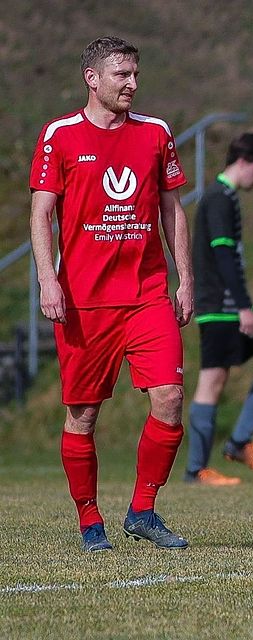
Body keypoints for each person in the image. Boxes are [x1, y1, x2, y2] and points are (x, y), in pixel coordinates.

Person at [29, 36, 192, 551]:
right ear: (92, 78)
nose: (132, 84)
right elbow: (42, 212)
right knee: (83, 414)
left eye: (135, 74)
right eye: (122, 75)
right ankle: (89, 519)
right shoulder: (59, 135)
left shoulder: (155, 132)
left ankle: (142, 510)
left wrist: (185, 279)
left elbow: (172, 209)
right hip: (85, 301)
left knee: (170, 397)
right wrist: (47, 279)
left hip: (147, 294)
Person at [186, 133, 253, 486]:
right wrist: (243, 306)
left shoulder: (225, 197)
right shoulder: (218, 198)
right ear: (244, 161)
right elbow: (224, 256)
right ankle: (196, 469)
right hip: (221, 308)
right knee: (211, 383)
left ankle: (239, 442)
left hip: (234, 305)